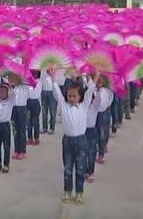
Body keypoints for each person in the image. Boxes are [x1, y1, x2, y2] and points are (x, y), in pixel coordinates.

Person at [50, 69, 98, 205]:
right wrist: (53, 78)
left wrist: (95, 77)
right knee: (67, 167)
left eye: (74, 96)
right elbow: (57, 93)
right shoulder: (64, 105)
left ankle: (79, 193)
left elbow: (89, 92)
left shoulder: (83, 106)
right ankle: (67, 190)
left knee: (80, 168)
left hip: (81, 141)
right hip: (67, 141)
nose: (71, 98)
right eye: (69, 96)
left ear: (80, 97)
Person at [26, 70, 42, 146]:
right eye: (32, 73)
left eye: (35, 73)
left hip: (35, 101)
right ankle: (29, 138)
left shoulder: (39, 81)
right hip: (28, 101)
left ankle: (36, 138)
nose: (34, 75)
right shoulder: (27, 81)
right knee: (28, 121)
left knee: (35, 121)